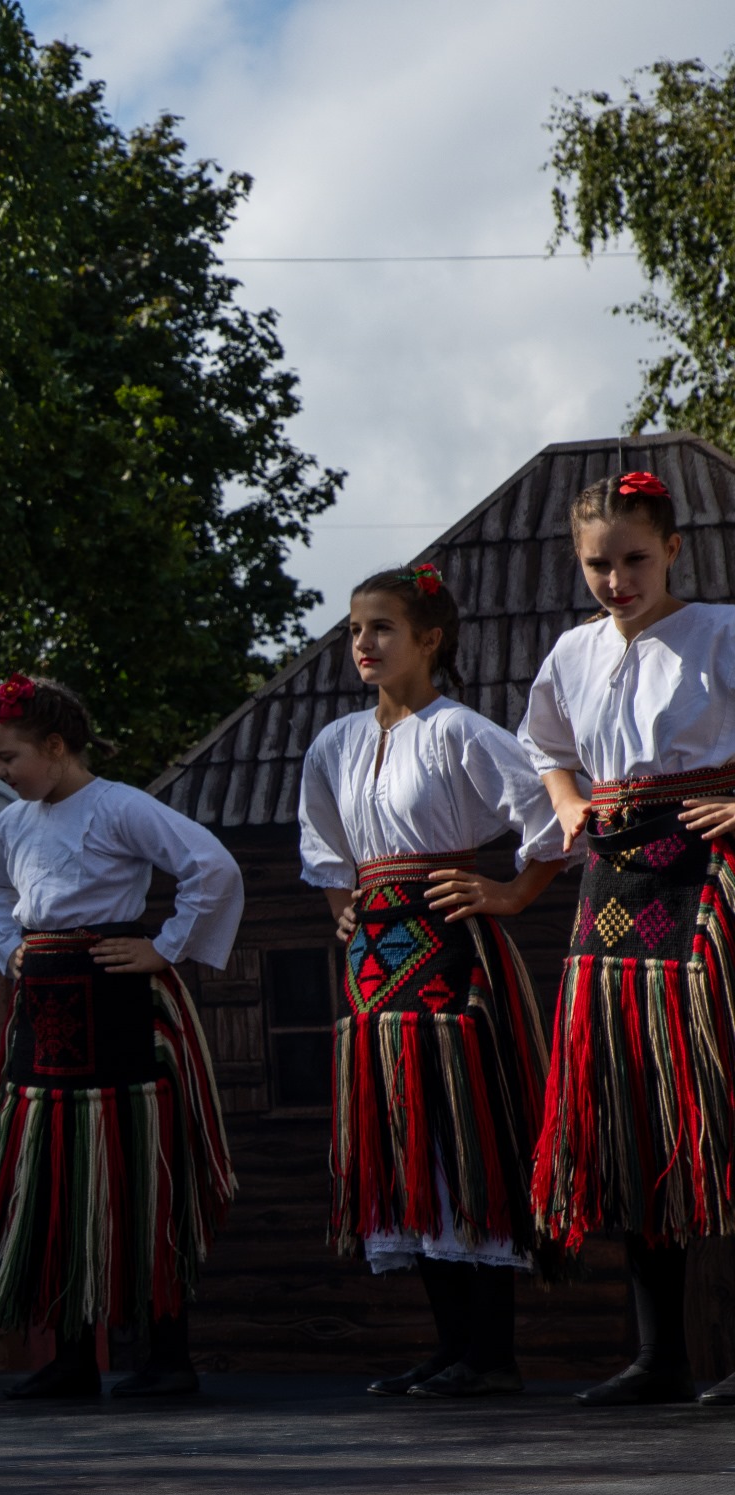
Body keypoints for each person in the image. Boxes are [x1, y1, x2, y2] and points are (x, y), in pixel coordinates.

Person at [300, 564, 567, 1400]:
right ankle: (452, 1347)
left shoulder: (460, 731)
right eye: (354, 631)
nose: (364, 644)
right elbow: (322, 841)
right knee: (404, 1143)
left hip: (450, 955)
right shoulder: (336, 742)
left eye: (381, 628)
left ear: (429, 639)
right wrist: (344, 905)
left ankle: (492, 1354)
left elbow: (551, 813)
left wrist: (512, 892)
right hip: (375, 968)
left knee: (463, 1138)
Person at [0, 673, 241, 1400]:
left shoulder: (120, 807)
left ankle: (168, 1359)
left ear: (56, 745)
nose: (1, 773)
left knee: (138, 1174)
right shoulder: (11, 826)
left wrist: (165, 946)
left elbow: (212, 866)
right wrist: (7, 943)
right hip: (43, 1014)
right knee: (52, 1178)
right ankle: (72, 1359)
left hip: (119, 1003)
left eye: (10, 758)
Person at [521, 470, 735, 1407]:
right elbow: (546, 747)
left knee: (721, 1106)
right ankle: (661, 1358)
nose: (617, 580)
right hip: (611, 890)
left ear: (675, 549)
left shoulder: (723, 633)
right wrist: (567, 801)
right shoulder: (571, 652)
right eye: (598, 564)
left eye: (635, 559)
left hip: (713, 886)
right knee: (628, 1108)